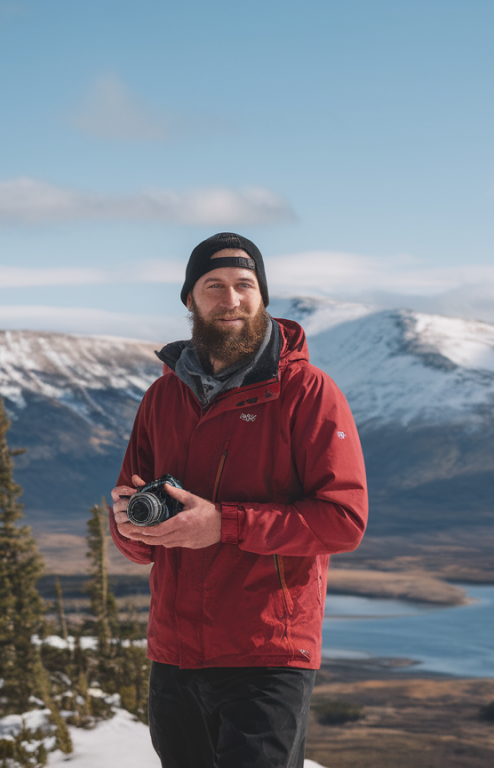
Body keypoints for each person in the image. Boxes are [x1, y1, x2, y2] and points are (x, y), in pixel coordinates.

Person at [109, 232, 368, 768]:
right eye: (214, 286)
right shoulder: (162, 396)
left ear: (263, 297)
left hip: (267, 654)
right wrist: (128, 527)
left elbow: (344, 521)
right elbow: (135, 531)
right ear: (190, 301)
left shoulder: (306, 391)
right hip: (175, 657)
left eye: (245, 286)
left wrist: (223, 524)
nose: (231, 300)